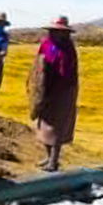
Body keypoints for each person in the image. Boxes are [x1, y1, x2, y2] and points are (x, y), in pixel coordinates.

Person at [29, 16, 80, 172]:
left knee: (57, 125)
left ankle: (54, 161)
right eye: (55, 31)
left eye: (61, 32)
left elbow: (68, 72)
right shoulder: (46, 45)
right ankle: (48, 156)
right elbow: (38, 67)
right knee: (44, 124)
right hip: (45, 88)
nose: (58, 34)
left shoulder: (68, 48)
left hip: (63, 90)